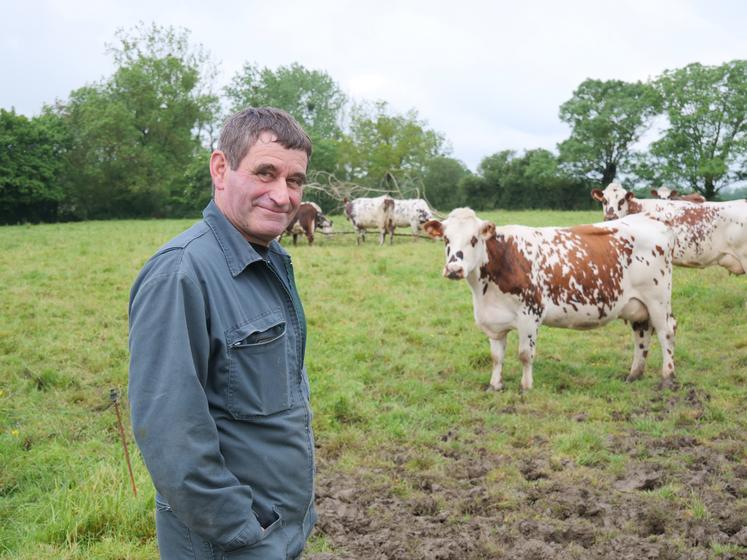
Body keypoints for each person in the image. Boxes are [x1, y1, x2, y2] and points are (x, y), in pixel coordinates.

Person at [128, 107, 316, 560]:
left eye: (294, 181)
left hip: (278, 528)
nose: (282, 195)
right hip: (231, 542)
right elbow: (171, 433)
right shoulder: (181, 272)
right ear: (220, 169)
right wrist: (242, 529)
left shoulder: (268, 260)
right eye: (265, 173)